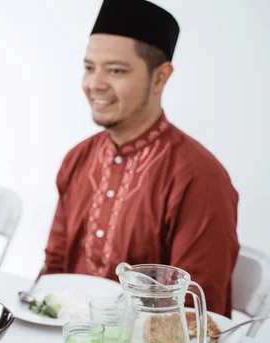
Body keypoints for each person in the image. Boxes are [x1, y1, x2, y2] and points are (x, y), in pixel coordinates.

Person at [43, 0, 239, 316]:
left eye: (116, 71)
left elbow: (197, 309)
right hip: (73, 341)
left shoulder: (199, 177)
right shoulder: (78, 159)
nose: (95, 84)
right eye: (89, 68)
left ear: (160, 77)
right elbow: (54, 269)